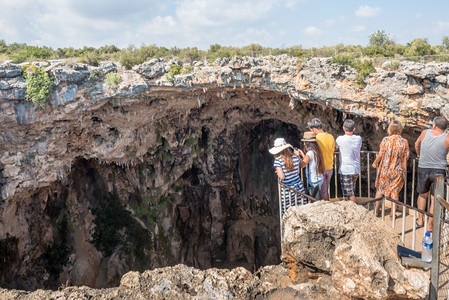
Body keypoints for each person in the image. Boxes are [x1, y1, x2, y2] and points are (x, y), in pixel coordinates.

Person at [415, 116, 449, 232]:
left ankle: (420, 220)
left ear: (434, 125)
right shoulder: (447, 138)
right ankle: (430, 225)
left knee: (422, 195)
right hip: (439, 171)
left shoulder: (425, 133)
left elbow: (416, 144)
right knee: (435, 199)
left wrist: (419, 155)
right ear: (446, 128)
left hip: (423, 167)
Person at [372, 120, 410, 217]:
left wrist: (375, 162)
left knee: (380, 190)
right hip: (397, 171)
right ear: (400, 129)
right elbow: (407, 156)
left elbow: (380, 154)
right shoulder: (404, 142)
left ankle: (376, 211)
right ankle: (393, 214)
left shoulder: (385, 140)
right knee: (395, 192)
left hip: (385, 169)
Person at [269, 137, 306, 215]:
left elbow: (282, 177)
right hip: (299, 187)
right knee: (301, 208)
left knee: (289, 211)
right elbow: (298, 172)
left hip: (287, 190)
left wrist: (278, 173)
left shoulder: (278, 160)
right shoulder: (295, 157)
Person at [307, 118, 335, 200]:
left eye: (311, 129)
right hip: (330, 167)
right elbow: (334, 148)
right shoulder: (331, 136)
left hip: (321, 168)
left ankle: (326, 208)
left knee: (323, 191)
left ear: (314, 129)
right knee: (325, 189)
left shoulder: (316, 139)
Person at [335, 119, 362, 202]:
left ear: (343, 128)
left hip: (346, 170)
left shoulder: (340, 139)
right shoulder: (358, 138)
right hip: (356, 169)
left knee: (349, 193)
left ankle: (354, 210)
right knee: (351, 189)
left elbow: (335, 148)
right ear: (354, 129)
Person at [295, 131, 325, 200]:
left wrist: (298, 156)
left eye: (304, 142)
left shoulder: (310, 153)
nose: (304, 144)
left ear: (307, 143)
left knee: (315, 200)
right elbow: (309, 159)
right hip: (319, 178)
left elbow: (302, 165)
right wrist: (302, 154)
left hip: (314, 181)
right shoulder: (317, 150)